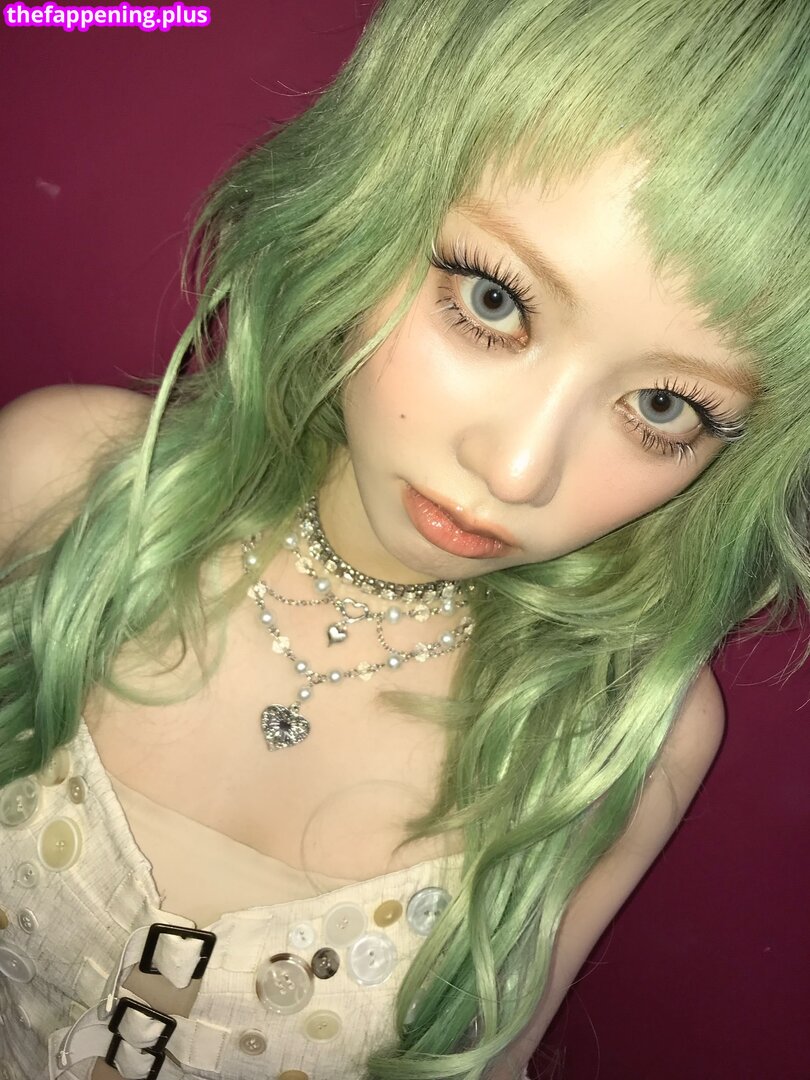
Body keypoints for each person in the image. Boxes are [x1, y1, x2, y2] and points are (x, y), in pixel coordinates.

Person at [0, 0, 807, 1077]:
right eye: (494, 300)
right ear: (369, 202)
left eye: (665, 407)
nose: (518, 471)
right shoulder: (58, 488)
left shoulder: (614, 737)